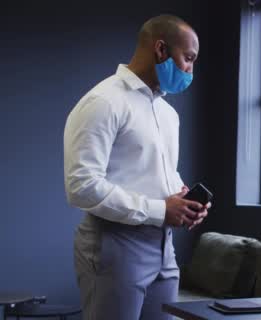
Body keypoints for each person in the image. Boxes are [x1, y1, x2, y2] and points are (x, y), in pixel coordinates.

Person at [64, 15, 207, 320]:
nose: (190, 70)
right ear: (160, 50)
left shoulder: (168, 114)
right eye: (189, 58)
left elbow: (156, 171)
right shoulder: (104, 101)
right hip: (114, 244)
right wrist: (160, 209)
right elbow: (81, 186)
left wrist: (183, 200)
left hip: (164, 247)